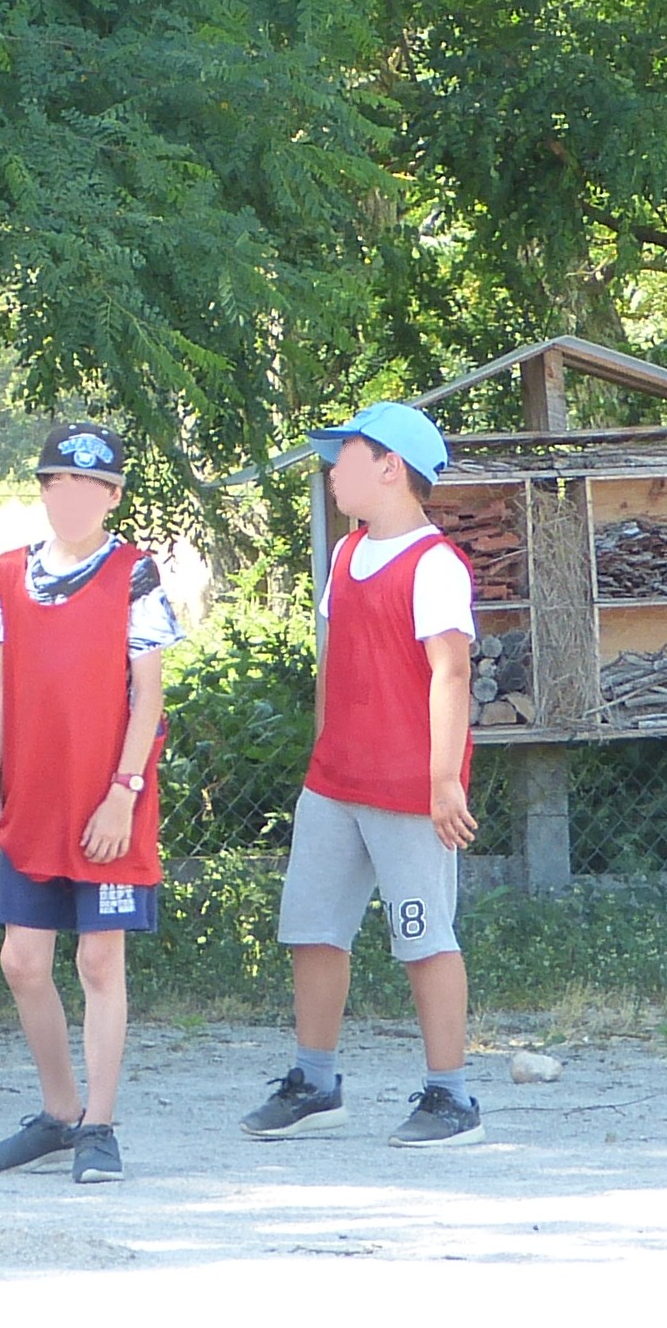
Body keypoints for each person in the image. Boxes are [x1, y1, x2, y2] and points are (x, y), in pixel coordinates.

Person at [241, 400, 484, 1148]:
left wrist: (444, 783)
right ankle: (314, 1083)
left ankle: (450, 1098)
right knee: (311, 930)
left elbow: (450, 675)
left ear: (389, 467)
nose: (332, 468)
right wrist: (324, 750)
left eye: (345, 454)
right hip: (334, 784)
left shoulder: (435, 564)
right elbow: (334, 661)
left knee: (423, 939)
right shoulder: (346, 554)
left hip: (409, 792)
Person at [0, 427, 177, 1185]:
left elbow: (147, 691)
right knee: (22, 961)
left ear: (114, 495)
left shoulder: (134, 573)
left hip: (107, 802)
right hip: (32, 796)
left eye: (89, 486)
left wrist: (123, 794)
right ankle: (59, 1111)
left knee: (98, 958)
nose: (72, 498)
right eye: (57, 482)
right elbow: (2, 683)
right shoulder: (6, 572)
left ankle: (100, 1123)